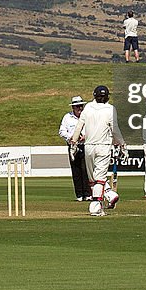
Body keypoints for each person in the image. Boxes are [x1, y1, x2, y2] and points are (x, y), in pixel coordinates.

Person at [70, 85, 125, 216]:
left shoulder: (88, 107)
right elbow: (115, 129)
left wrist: (73, 143)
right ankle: (96, 206)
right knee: (99, 178)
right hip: (103, 146)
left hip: (89, 146)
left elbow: (79, 126)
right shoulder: (110, 109)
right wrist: (123, 144)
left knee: (93, 179)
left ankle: (107, 196)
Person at [58, 95, 89, 201]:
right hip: (73, 146)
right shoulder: (67, 117)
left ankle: (88, 194)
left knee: (86, 170)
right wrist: (70, 137)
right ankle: (79, 195)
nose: (79, 108)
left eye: (81, 106)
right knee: (76, 171)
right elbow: (62, 131)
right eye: (77, 106)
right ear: (73, 108)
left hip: (85, 145)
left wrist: (86, 136)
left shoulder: (87, 116)